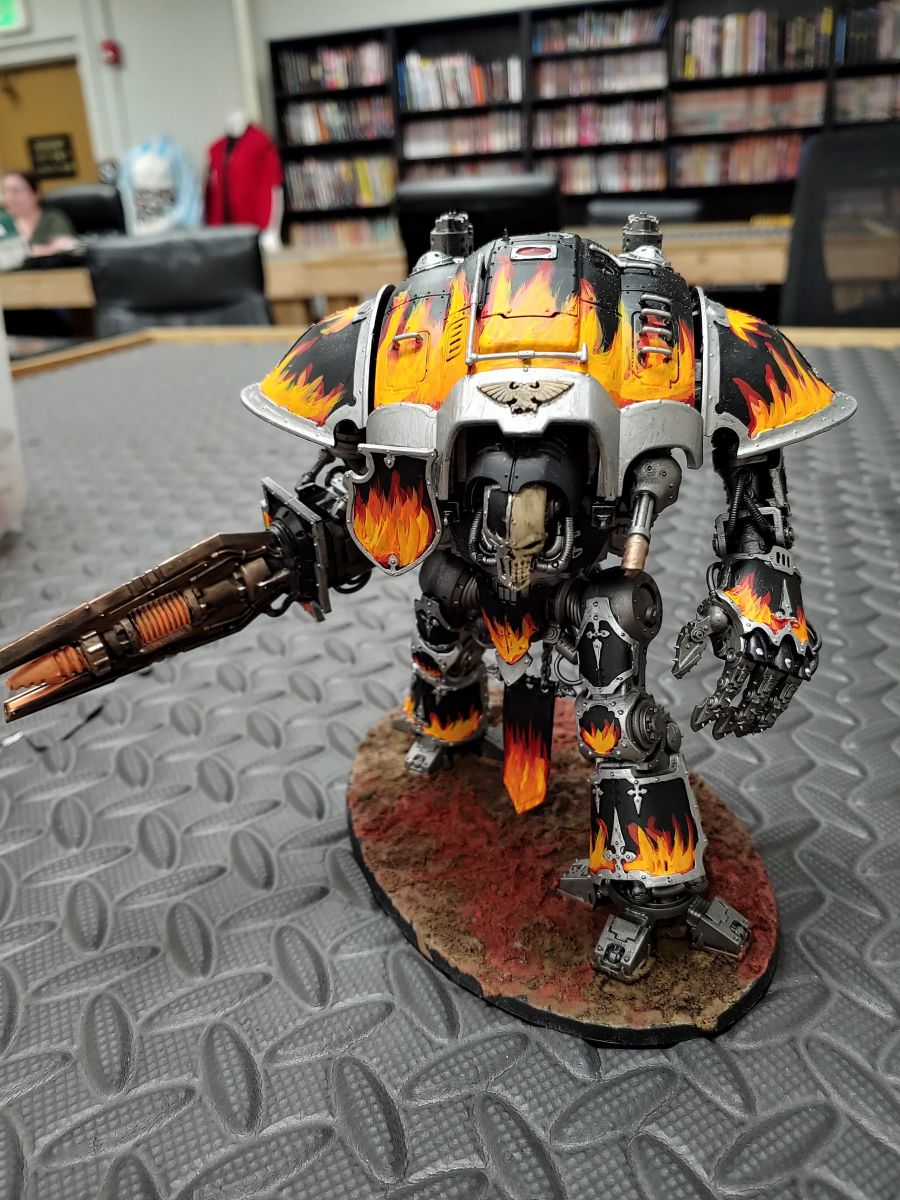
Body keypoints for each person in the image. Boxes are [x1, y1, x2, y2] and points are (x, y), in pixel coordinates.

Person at [1, 170, 77, 257]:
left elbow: (65, 246)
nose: (9, 197)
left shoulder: (52, 219)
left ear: (35, 194)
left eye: (16, 191)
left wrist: (30, 253)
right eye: (5, 191)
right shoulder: (3, 221)